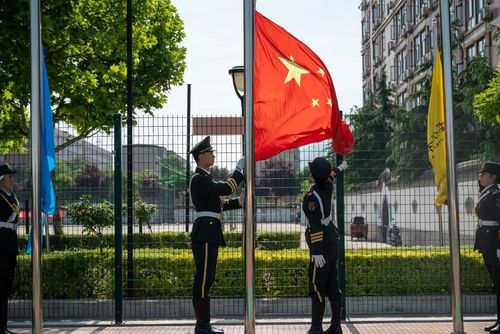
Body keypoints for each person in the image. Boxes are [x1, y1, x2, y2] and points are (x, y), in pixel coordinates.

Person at [188, 136, 245, 334]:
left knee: (208, 277)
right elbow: (227, 188)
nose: (213, 155)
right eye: (210, 152)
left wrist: (239, 201)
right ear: (201, 156)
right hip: (204, 232)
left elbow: (220, 203)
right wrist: (238, 171)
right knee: (203, 278)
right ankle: (202, 325)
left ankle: (204, 324)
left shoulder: (205, 179)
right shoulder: (199, 179)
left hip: (209, 232)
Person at [303, 157, 347, 334]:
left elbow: (314, 225)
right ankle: (336, 326)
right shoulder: (327, 185)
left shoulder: (312, 197)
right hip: (331, 238)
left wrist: (316, 251)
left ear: (313, 175)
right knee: (332, 282)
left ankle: (316, 328)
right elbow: (332, 174)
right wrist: (341, 167)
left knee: (316, 285)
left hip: (320, 244)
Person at [474, 161, 500, 333]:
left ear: (493, 177)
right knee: (496, 283)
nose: (480, 176)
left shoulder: (495, 194)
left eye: (484, 174)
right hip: (487, 243)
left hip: (494, 243)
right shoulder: (487, 193)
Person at [0, 163, 19, 334]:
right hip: (1, 243)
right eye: (9, 176)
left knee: (6, 286)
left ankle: (3, 325)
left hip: (10, 242)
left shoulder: (11, 196)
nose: (12, 179)